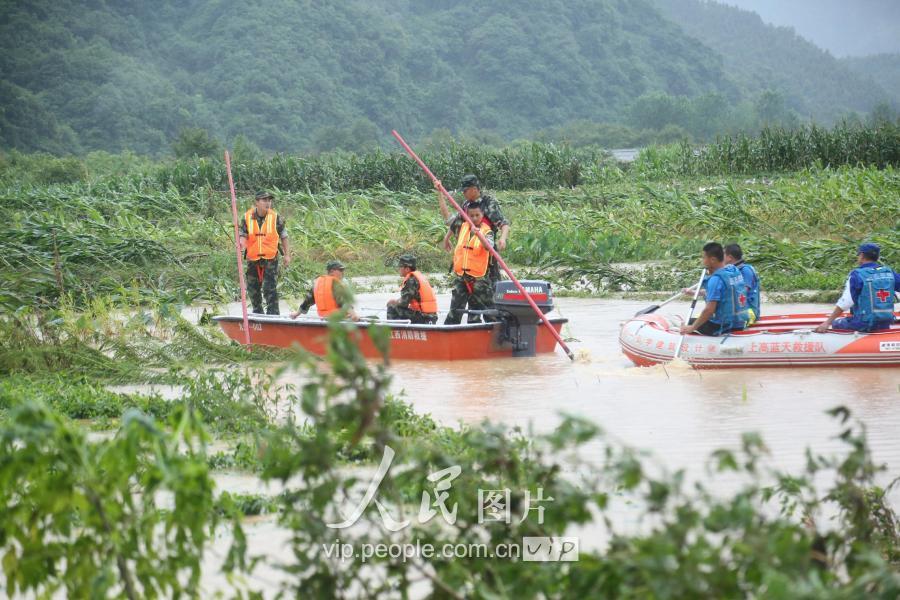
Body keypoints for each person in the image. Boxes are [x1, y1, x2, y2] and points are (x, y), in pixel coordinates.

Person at [814, 242, 899, 333]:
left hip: (863, 323)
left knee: (836, 323)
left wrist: (828, 322)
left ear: (862, 255)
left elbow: (846, 302)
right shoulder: (890, 273)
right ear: (877, 257)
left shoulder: (857, 275)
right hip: (885, 322)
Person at [440, 175, 510, 283]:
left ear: (474, 189)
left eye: (465, 191)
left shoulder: (488, 203)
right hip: (469, 255)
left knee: (491, 287)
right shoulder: (466, 204)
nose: (463, 193)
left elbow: (503, 223)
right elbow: (456, 222)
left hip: (486, 251)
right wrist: (446, 238)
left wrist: (503, 238)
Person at [680, 242, 751, 336]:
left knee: (687, 322)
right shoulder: (733, 270)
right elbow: (724, 294)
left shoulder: (715, 279)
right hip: (739, 323)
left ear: (712, 259)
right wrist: (694, 292)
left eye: (704, 257)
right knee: (693, 321)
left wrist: (692, 328)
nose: (702, 261)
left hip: (722, 326)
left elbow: (709, 310)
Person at [239, 190, 291, 315]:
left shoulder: (276, 217)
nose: (268, 203)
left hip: (270, 258)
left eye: (269, 200)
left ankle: (273, 315)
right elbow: (243, 235)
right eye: (264, 200)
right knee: (253, 288)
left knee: (269, 288)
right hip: (253, 258)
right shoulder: (247, 217)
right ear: (257, 202)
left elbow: (284, 236)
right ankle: (257, 314)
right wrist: (241, 245)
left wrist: (287, 255)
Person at [444, 203, 497, 325]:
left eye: (477, 215)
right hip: (462, 277)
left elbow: (488, 246)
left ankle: (498, 335)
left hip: (479, 280)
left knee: (489, 311)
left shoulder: (487, 231)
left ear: (482, 215)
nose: (474, 218)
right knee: (455, 309)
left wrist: (478, 234)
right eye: (471, 215)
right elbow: (449, 221)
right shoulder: (462, 227)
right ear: (467, 215)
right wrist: (446, 239)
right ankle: (449, 332)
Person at [291, 260, 359, 321]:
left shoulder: (318, 283)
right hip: (339, 320)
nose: (343, 272)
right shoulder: (335, 284)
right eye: (340, 270)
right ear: (332, 271)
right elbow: (344, 302)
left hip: (324, 319)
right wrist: (353, 314)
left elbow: (307, 301)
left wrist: (296, 314)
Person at [386, 254, 438, 324]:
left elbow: (403, 303)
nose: (399, 269)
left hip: (424, 317)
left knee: (392, 306)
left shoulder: (411, 280)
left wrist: (393, 302)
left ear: (407, 269)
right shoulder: (418, 277)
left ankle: (394, 331)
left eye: (400, 267)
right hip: (431, 317)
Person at [725, 243, 761, 323]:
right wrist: (695, 292)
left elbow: (742, 292)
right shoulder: (731, 271)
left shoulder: (746, 271)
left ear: (730, 258)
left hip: (749, 312)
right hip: (738, 311)